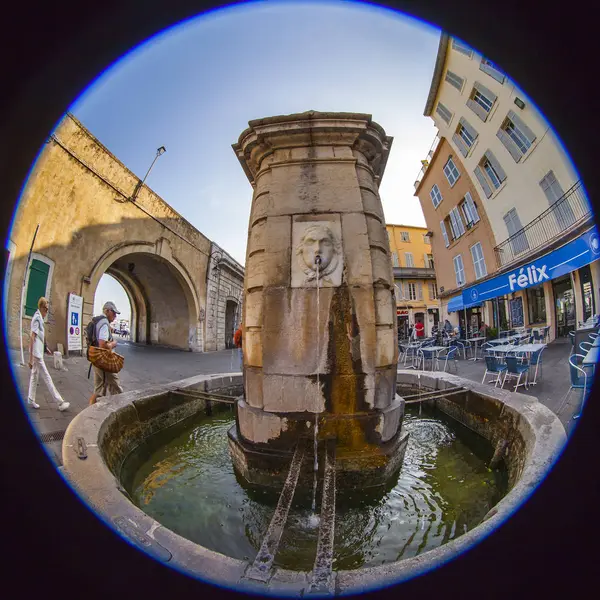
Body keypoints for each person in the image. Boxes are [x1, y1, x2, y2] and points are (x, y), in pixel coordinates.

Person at [27, 297, 70, 411]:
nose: (46, 311)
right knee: (46, 376)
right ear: (41, 307)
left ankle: (31, 399)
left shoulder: (40, 317)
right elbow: (32, 337)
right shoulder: (37, 318)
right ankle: (60, 402)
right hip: (36, 354)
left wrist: (46, 348)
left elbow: (40, 338)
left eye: (47, 309)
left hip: (38, 352)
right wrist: (30, 358)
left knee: (34, 375)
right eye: (45, 308)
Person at [88, 301, 124, 406]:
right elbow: (103, 345)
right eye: (114, 313)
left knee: (99, 390)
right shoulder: (104, 323)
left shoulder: (97, 320)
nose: (115, 316)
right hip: (104, 362)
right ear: (107, 311)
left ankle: (90, 412)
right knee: (116, 388)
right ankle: (121, 410)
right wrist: (113, 343)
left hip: (96, 359)